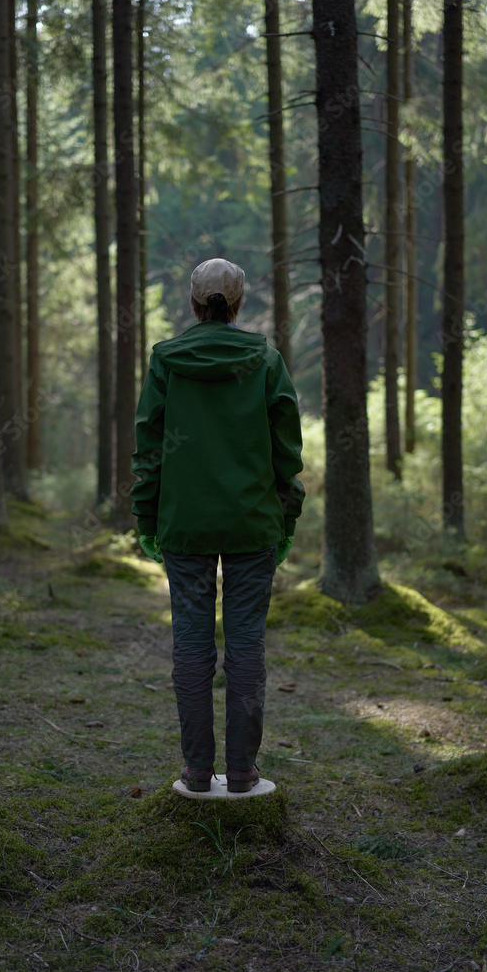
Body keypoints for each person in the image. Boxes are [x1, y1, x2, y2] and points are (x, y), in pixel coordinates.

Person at [131, 257, 304, 793]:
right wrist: (286, 518)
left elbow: (149, 449)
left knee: (191, 642)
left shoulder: (166, 360)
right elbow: (287, 453)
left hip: (184, 525)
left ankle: (196, 771)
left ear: (192, 302)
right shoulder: (266, 360)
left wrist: (145, 518)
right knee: (247, 643)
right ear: (238, 302)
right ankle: (245, 772)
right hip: (254, 525)